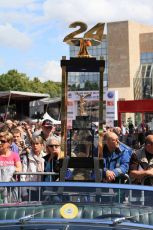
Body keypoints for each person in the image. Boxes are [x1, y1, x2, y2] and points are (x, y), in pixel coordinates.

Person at [21, 136, 45, 201]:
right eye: (33, 144)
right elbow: (22, 175)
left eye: (37, 143)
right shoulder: (27, 157)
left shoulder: (45, 157)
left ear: (42, 145)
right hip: (29, 189)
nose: (35, 146)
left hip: (42, 190)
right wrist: (24, 192)